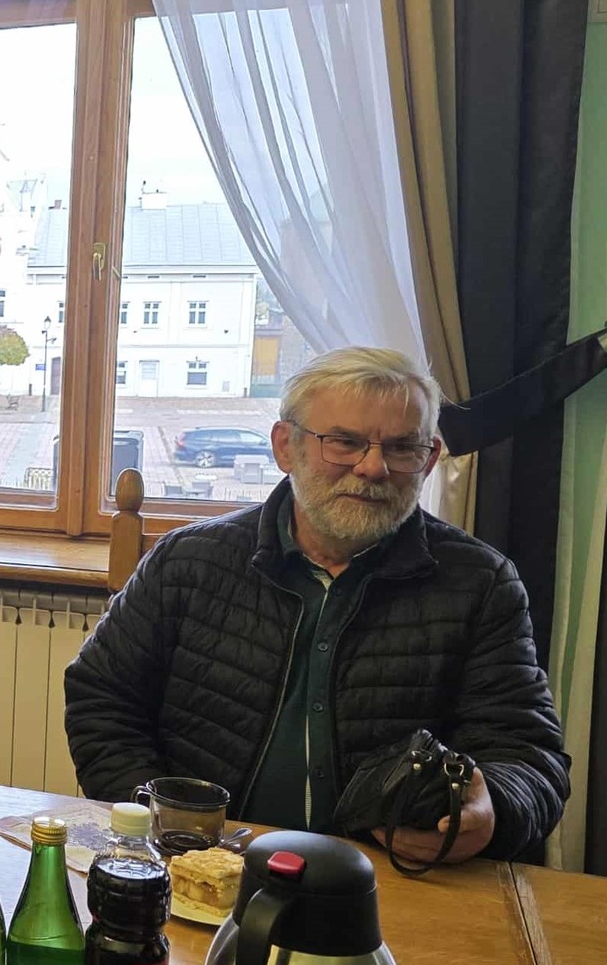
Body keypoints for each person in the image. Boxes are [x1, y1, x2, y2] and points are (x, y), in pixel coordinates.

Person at [65, 347, 568, 866]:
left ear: (431, 457)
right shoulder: (189, 562)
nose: (373, 468)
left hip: (394, 880)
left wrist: (491, 812)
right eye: (345, 442)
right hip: (202, 866)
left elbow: (528, 757)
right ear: (286, 446)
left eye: (402, 447)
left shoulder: (479, 583)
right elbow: (101, 698)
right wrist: (162, 825)